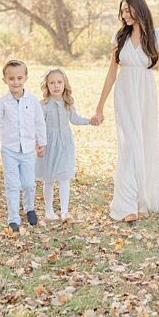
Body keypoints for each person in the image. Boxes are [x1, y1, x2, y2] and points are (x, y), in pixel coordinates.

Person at [91, 0, 159, 222]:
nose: (124, 15)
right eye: (122, 11)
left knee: (144, 144)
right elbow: (111, 72)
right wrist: (99, 107)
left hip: (145, 93)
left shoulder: (158, 36)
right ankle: (126, 204)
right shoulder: (119, 36)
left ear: (139, 10)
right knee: (130, 145)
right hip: (124, 93)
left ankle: (143, 202)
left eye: (128, 10)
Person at [0, 59, 47, 233]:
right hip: (9, 150)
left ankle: (29, 208)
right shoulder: (3, 102)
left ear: (26, 78)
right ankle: (13, 218)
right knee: (12, 185)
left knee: (29, 184)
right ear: (5, 80)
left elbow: (39, 123)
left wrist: (41, 143)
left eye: (19, 78)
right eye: (11, 78)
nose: (16, 82)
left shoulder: (33, 101)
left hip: (29, 150)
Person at [38, 67, 99, 223]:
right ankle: (49, 210)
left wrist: (90, 121)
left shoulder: (67, 104)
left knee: (64, 177)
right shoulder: (44, 105)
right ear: (46, 86)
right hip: (49, 144)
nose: (56, 85)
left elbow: (75, 119)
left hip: (65, 144)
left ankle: (65, 211)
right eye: (52, 82)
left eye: (59, 82)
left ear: (65, 84)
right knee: (49, 178)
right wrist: (38, 143)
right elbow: (38, 126)